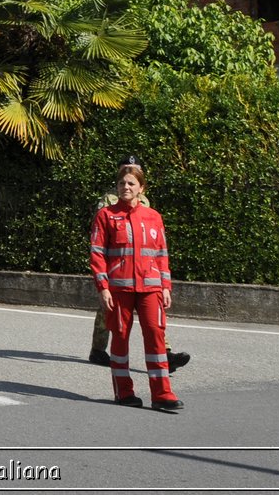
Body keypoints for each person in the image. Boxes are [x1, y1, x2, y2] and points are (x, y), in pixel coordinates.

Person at [90, 164, 183, 412]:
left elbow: (161, 254)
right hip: (119, 289)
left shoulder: (154, 217)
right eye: (122, 183)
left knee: (156, 336)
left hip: (151, 288)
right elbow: (97, 254)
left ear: (142, 188)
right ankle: (124, 392)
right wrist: (103, 287)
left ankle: (162, 394)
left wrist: (165, 286)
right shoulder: (106, 216)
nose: (126, 187)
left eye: (131, 183)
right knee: (119, 340)